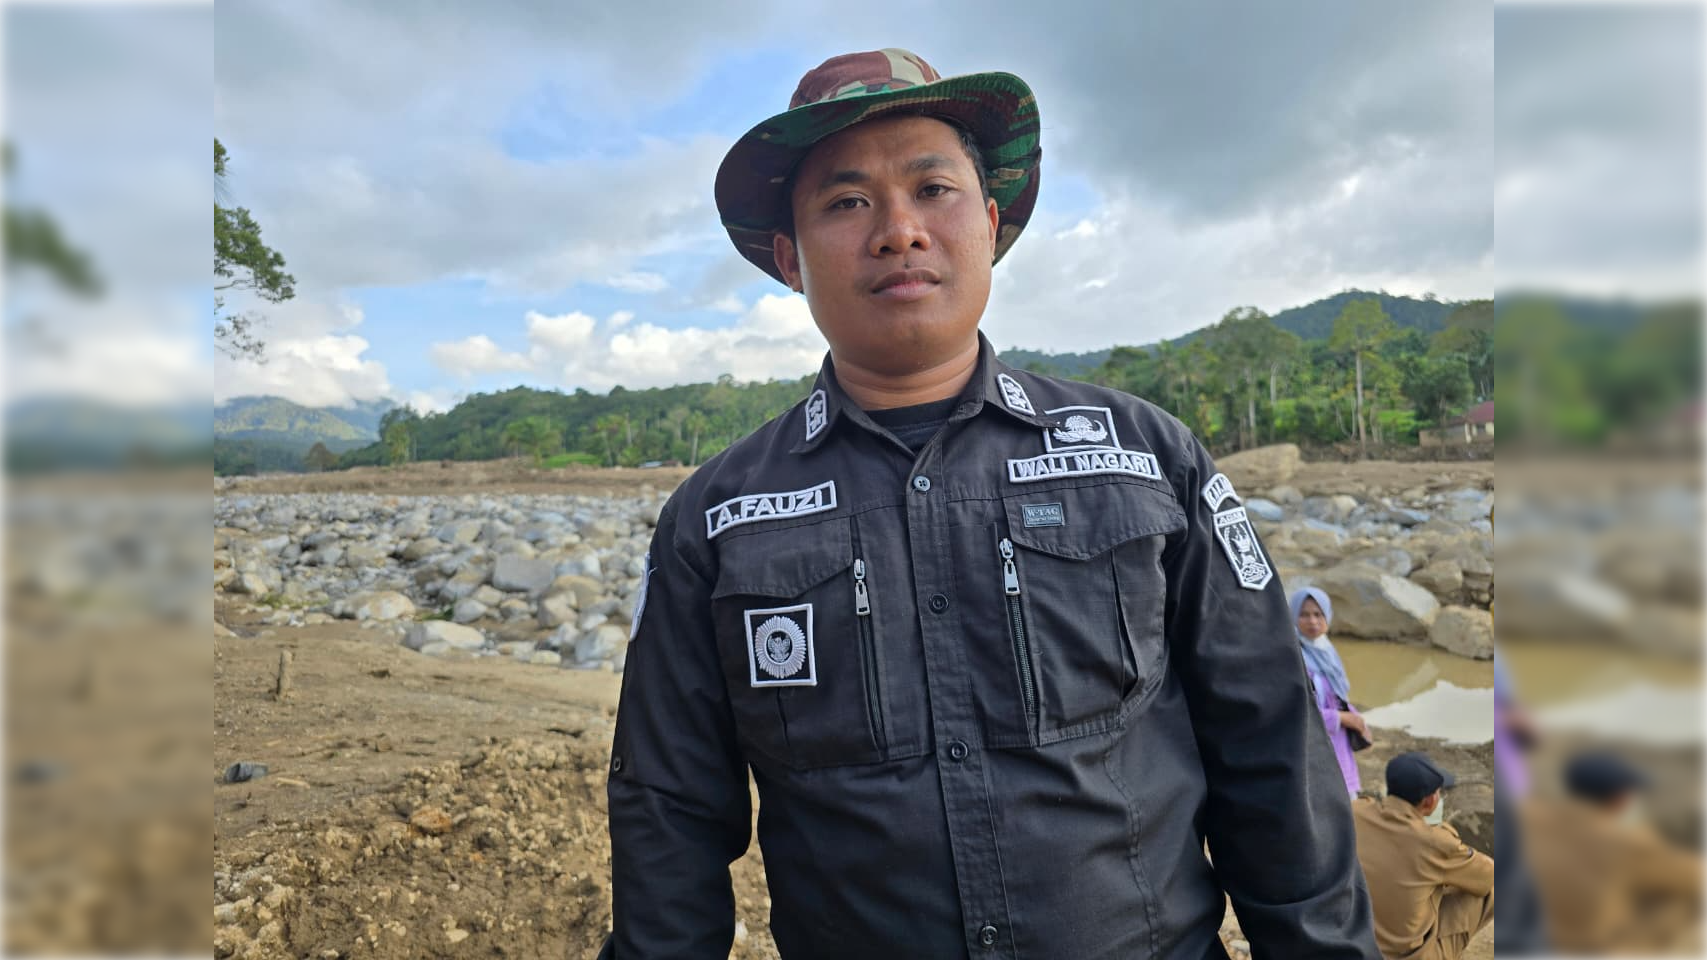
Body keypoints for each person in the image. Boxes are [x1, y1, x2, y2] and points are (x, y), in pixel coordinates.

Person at [601, 48, 1378, 959]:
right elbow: (668, 806)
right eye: (846, 202)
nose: (897, 230)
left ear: (992, 222)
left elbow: (1273, 745)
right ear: (790, 257)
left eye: (933, 188)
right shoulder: (717, 515)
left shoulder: (1143, 455)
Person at [1523, 751, 1707, 960]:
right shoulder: (1624, 843)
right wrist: (1648, 836)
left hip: (1534, 938)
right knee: (1682, 905)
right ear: (1621, 798)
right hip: (1588, 950)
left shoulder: (1533, 821)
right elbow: (1698, 877)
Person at [1352, 752, 1494, 960]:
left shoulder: (1357, 812)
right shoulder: (1433, 842)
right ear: (1430, 801)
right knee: (1488, 890)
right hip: (1406, 956)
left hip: (1356, 942)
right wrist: (1442, 831)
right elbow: (1487, 875)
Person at [1291, 586, 1366, 796]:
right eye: (1304, 615)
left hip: (1337, 745)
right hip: (1310, 747)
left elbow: (1336, 696)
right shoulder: (1292, 657)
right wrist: (1342, 718)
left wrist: (1355, 718)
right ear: (1292, 615)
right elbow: (1295, 711)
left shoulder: (1326, 650)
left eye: (1318, 614)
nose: (1313, 621)